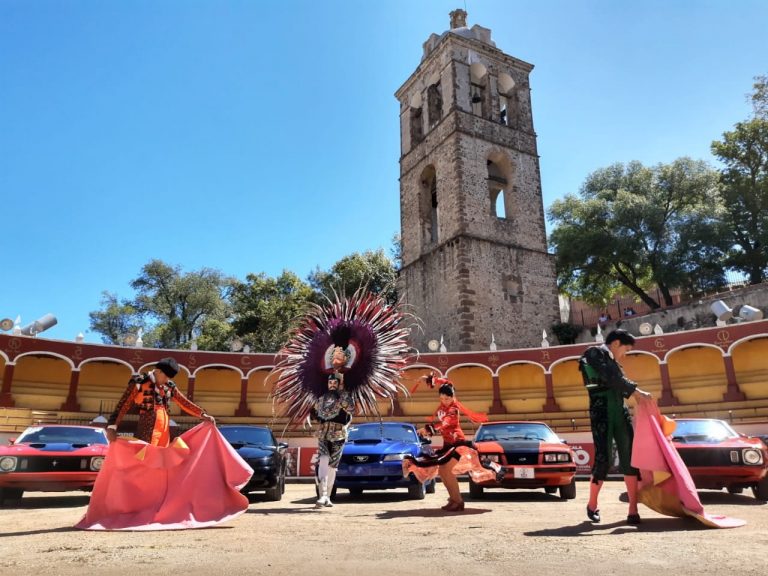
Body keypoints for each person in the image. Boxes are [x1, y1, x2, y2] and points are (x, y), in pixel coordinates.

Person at [579, 329, 651, 525]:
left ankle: (633, 509)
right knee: (604, 458)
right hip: (601, 411)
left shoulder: (615, 363)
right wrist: (637, 392)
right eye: (626, 349)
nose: (625, 354)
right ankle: (592, 504)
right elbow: (611, 378)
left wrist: (635, 394)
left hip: (620, 411)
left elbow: (617, 381)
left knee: (630, 458)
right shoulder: (593, 353)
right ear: (616, 343)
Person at [402, 373, 504, 512]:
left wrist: (428, 429)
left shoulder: (453, 409)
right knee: (443, 472)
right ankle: (454, 499)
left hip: (457, 444)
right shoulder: (444, 406)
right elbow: (446, 382)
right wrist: (428, 379)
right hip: (447, 444)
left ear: (452, 397)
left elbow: (445, 423)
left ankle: (458, 501)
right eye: (442, 398)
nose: (444, 401)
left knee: (447, 471)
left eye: (447, 398)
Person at [107, 357, 214, 447]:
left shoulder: (169, 386)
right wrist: (112, 427)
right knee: (146, 457)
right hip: (147, 428)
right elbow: (123, 404)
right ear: (158, 371)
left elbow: (183, 402)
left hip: (164, 431)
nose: (167, 380)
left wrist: (202, 414)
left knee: (161, 458)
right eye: (166, 376)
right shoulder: (140, 382)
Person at [311, 346, 355, 508]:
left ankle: (327, 496)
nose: (331, 384)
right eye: (329, 382)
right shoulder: (321, 398)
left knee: (332, 466)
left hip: (338, 434)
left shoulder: (345, 396)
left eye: (334, 382)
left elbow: (351, 410)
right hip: (323, 433)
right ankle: (322, 494)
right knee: (323, 460)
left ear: (339, 383)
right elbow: (315, 413)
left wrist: (342, 397)